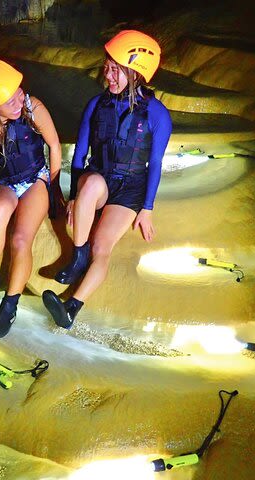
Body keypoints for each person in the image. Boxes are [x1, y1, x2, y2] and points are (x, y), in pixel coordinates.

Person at [42, 30, 172, 328]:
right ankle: (77, 257)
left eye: (115, 70)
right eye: (107, 66)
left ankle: (71, 308)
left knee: (102, 249)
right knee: (89, 186)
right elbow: (79, 156)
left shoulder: (158, 115)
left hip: (131, 189)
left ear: (135, 74)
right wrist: (74, 196)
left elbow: (155, 164)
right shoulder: (97, 105)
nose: (107, 74)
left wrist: (147, 208)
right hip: (101, 178)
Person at [0, 59, 64, 339]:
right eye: (11, 99)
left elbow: (54, 146)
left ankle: (10, 305)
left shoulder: (33, 109)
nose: (20, 99)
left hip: (35, 179)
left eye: (19, 90)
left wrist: (54, 189)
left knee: (20, 239)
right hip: (2, 181)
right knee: (0, 211)